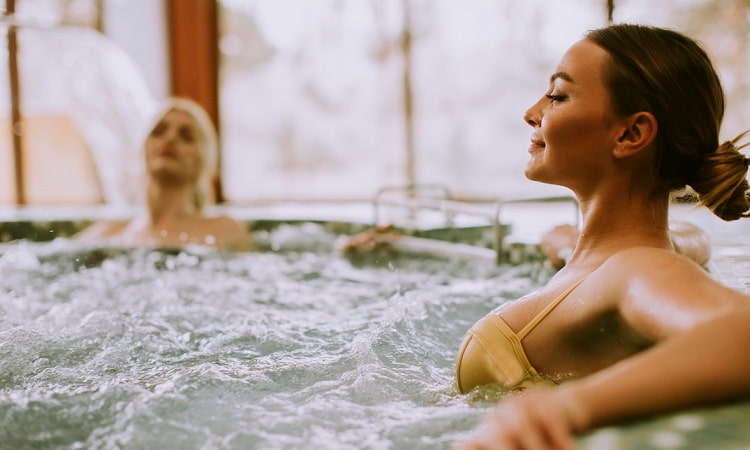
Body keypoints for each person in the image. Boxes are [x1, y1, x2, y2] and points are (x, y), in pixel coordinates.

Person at [454, 24, 750, 449]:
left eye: (557, 96)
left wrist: (569, 407)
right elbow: (687, 239)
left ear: (630, 135)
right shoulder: (662, 249)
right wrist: (564, 246)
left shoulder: (639, 267)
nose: (532, 112)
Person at [76, 97, 254, 251]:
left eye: (186, 136)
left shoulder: (223, 231)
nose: (170, 139)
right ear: (144, 149)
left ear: (204, 160)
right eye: (159, 132)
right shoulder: (109, 234)